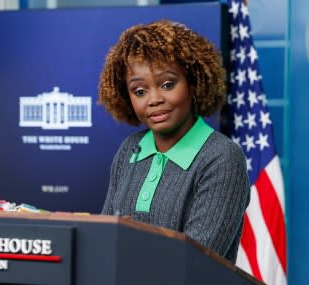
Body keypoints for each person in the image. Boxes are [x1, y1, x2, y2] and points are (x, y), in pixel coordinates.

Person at [98, 20, 250, 263]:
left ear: (193, 83)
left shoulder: (222, 157)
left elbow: (194, 263)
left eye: (167, 84)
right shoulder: (130, 149)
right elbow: (104, 240)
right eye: (139, 91)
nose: (154, 99)